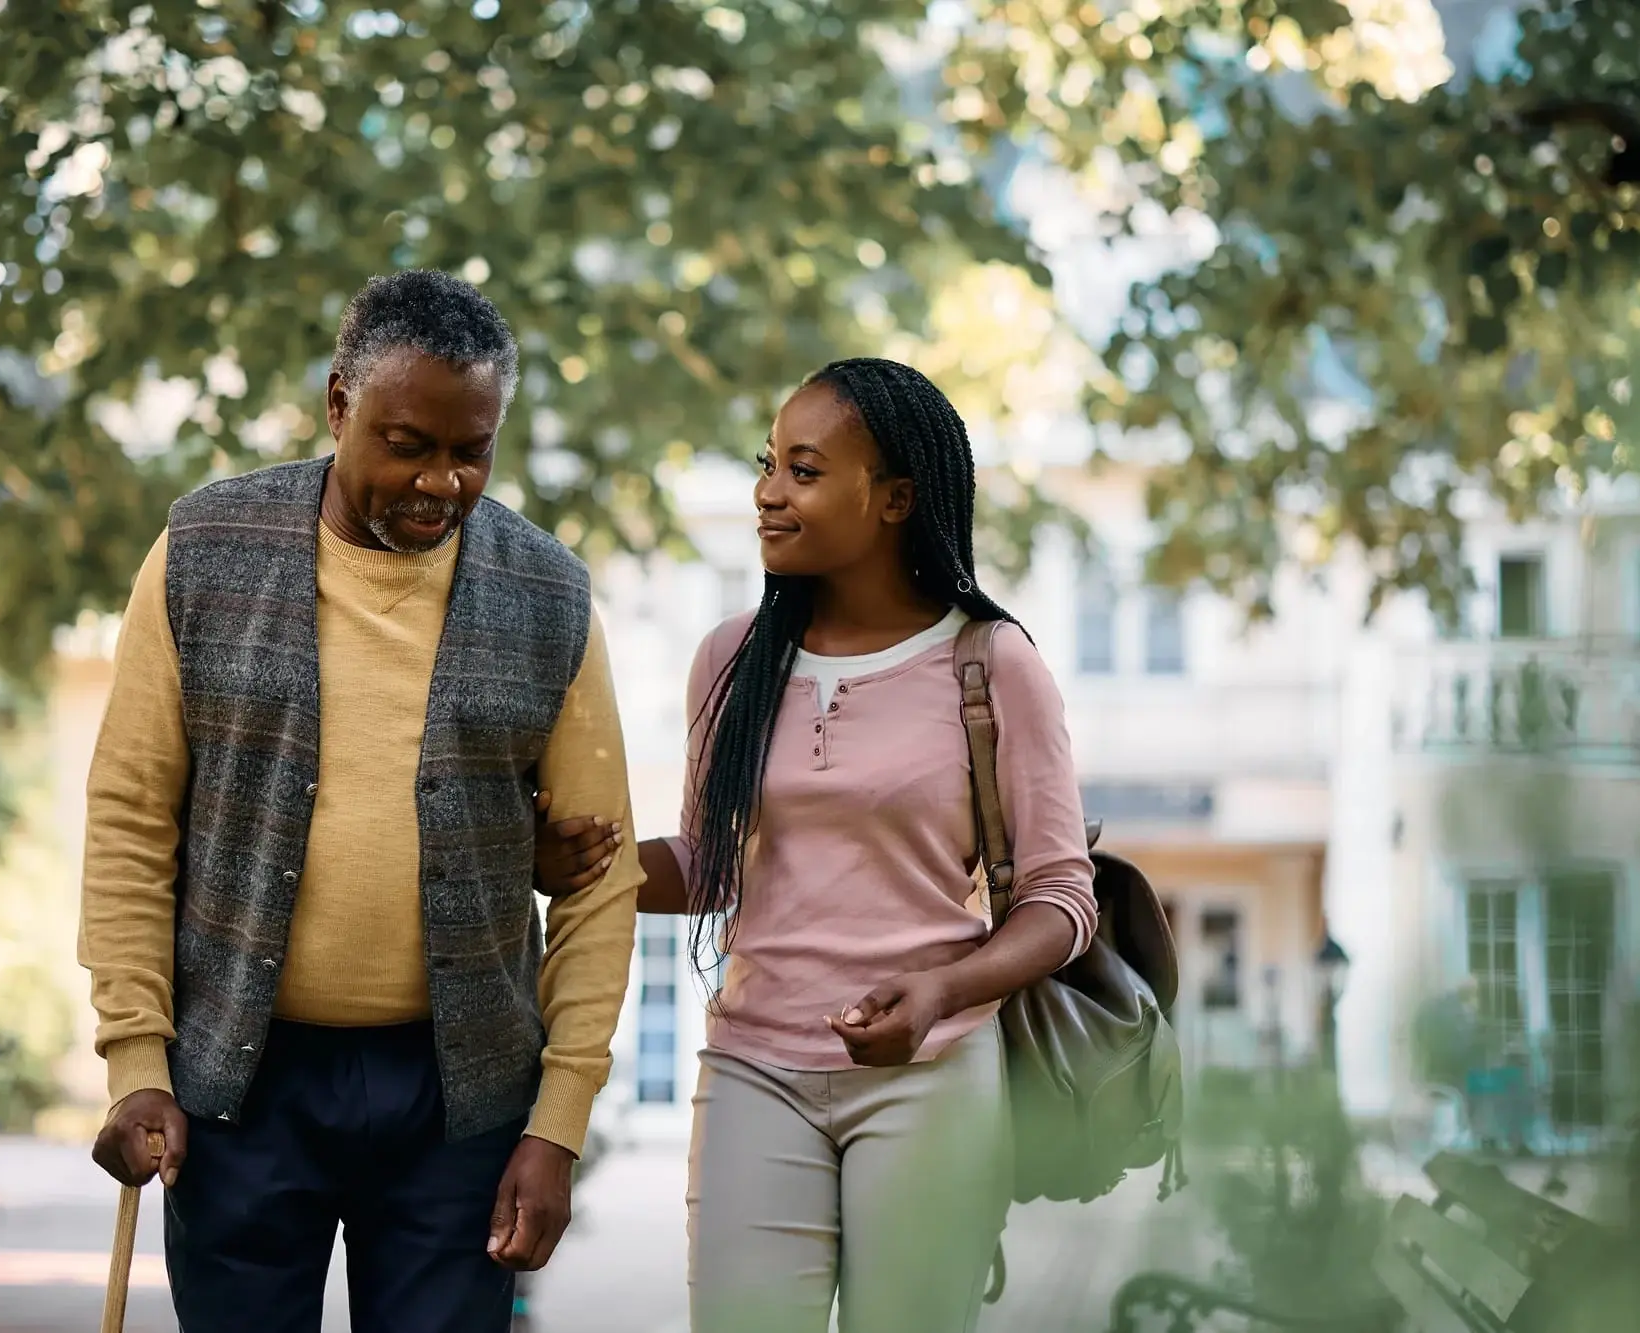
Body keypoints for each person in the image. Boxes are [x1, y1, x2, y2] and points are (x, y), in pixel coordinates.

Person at [78, 270, 643, 1332]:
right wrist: (134, 1063)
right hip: (239, 1082)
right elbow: (128, 820)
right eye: (406, 442)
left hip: (460, 1093)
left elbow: (598, 883)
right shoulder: (199, 553)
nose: (439, 481)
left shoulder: (551, 596)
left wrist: (555, 1126)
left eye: (468, 451)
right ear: (338, 404)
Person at [536, 358, 1097, 1333]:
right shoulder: (732, 658)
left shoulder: (990, 663)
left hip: (929, 1073)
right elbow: (711, 866)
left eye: (802, 470)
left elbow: (1060, 899)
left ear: (893, 498)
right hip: (753, 1067)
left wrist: (939, 991)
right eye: (767, 464)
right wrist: (578, 868)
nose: (765, 492)